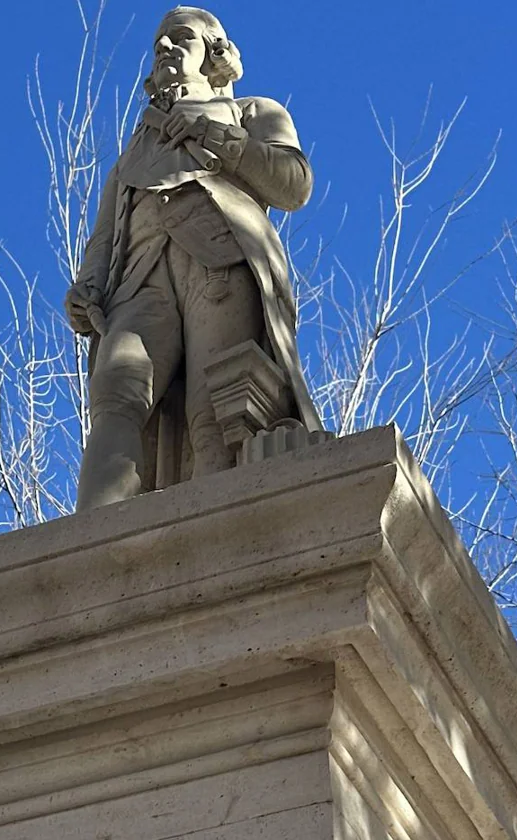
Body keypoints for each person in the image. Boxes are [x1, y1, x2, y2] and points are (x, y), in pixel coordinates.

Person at [65, 5, 322, 511]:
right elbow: (106, 232)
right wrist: (89, 283)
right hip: (139, 282)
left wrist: (221, 139)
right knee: (115, 394)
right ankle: (92, 545)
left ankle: (215, 543)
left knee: (216, 411)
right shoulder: (132, 153)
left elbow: (295, 185)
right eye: (159, 42)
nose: (164, 48)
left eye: (180, 38)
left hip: (219, 262)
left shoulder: (251, 112)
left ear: (216, 53)